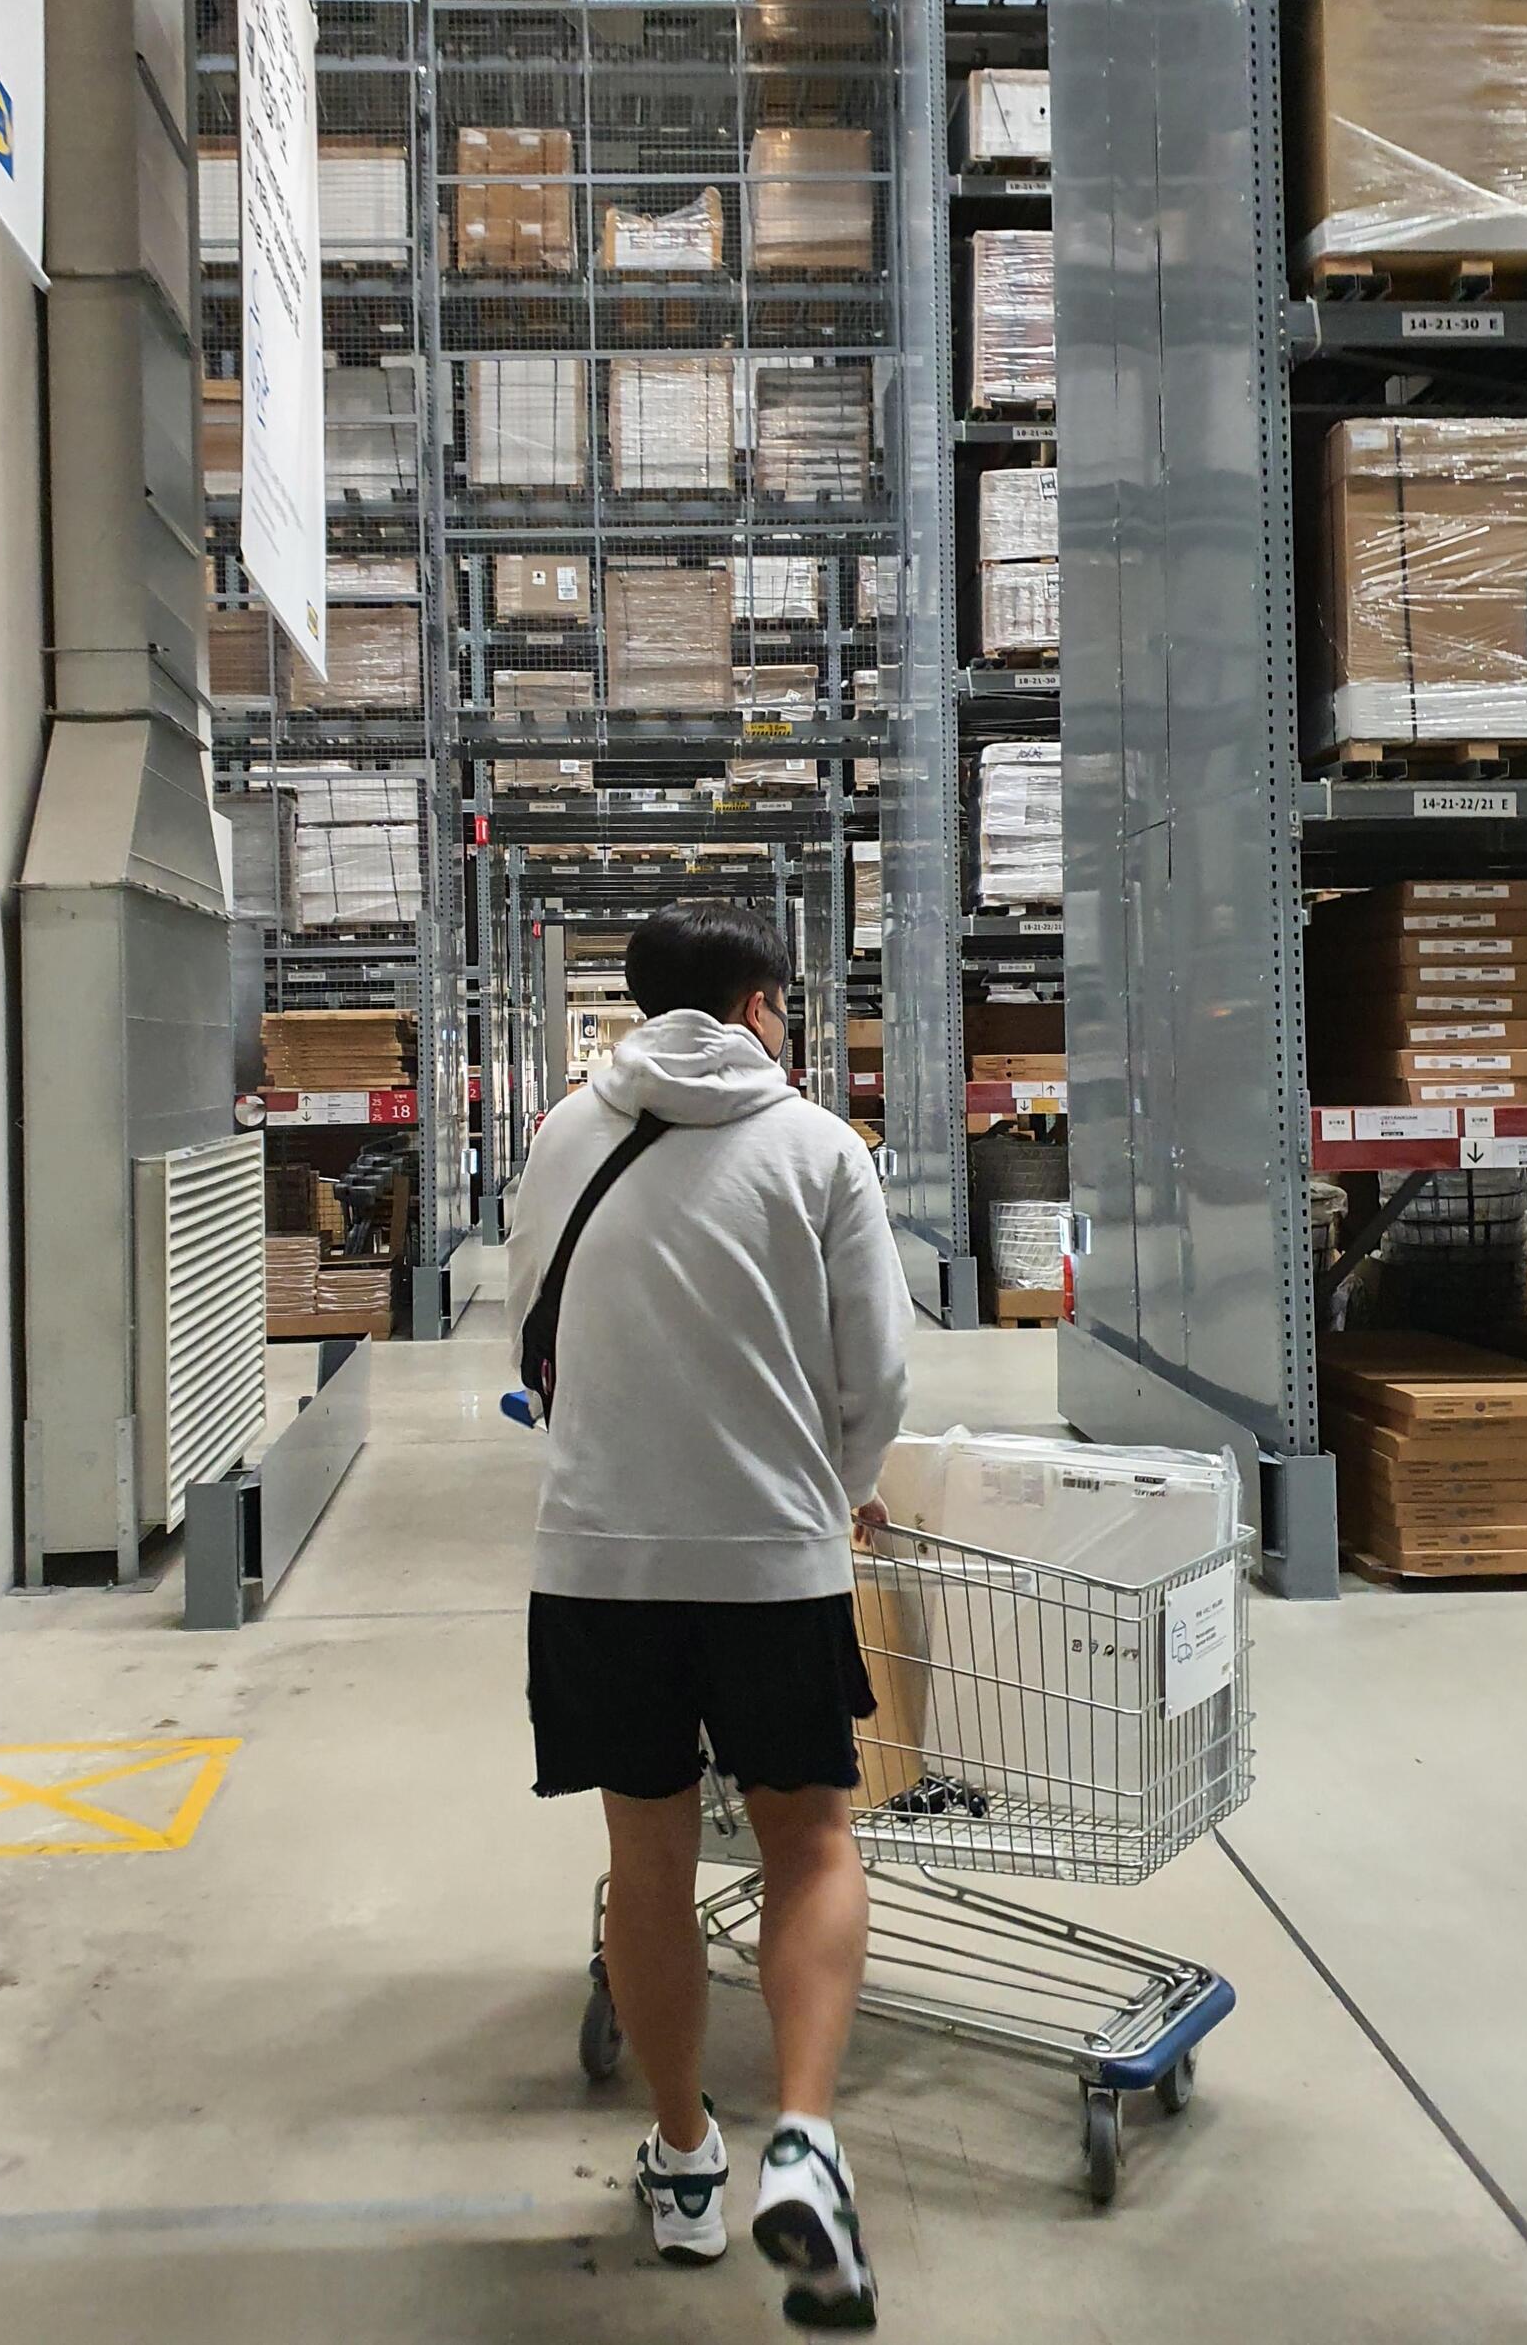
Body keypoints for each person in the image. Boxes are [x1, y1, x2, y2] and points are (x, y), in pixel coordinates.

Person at [509, 900, 911, 2330]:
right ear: (756, 1007)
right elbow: (877, 1371)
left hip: (600, 1562)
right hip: (770, 1565)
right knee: (810, 1841)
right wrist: (833, 1492)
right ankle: (800, 2139)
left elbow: (533, 1336)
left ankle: (684, 2161)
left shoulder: (565, 1135)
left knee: (649, 1858)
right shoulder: (819, 1148)